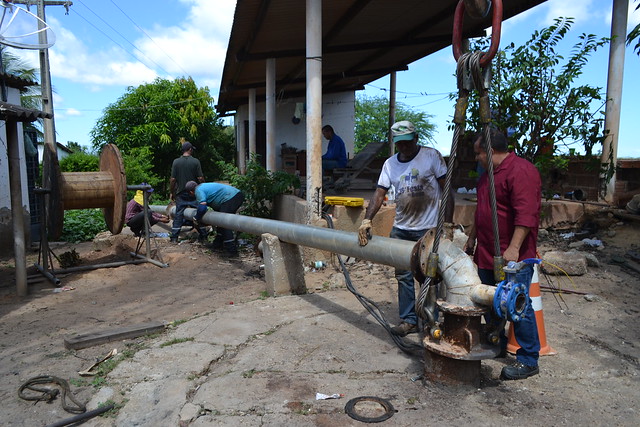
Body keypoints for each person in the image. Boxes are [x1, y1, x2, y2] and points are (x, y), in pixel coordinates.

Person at [357, 120, 454, 337]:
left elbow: (447, 190)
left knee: (430, 275)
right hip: (401, 228)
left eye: (407, 143)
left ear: (416, 138)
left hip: (427, 229)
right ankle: (409, 320)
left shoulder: (431, 156)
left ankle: (430, 319)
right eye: (400, 144)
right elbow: (379, 193)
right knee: (403, 276)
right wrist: (367, 220)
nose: (404, 148)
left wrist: (447, 223)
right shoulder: (390, 164)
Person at [464, 128, 542, 381]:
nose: (477, 158)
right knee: (490, 301)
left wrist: (514, 248)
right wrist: (472, 238)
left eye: (478, 153)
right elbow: (481, 211)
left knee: (517, 305)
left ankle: (528, 359)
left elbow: (526, 215)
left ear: (491, 150)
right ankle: (496, 342)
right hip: (487, 251)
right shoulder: (487, 176)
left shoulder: (521, 171)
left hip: (512, 256)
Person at [186, 181, 245, 256]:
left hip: (230, 197)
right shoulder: (202, 186)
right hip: (234, 195)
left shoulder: (198, 190)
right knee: (220, 222)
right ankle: (218, 244)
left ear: (191, 192)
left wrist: (196, 218)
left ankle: (232, 250)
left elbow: (202, 207)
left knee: (224, 223)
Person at [169, 141, 207, 243]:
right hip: (194, 193)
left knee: (178, 214)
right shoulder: (195, 162)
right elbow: (200, 178)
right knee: (199, 214)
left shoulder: (176, 162)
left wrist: (172, 192)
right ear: (190, 149)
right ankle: (204, 236)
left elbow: (172, 180)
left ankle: (174, 238)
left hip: (181, 193)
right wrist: (204, 188)